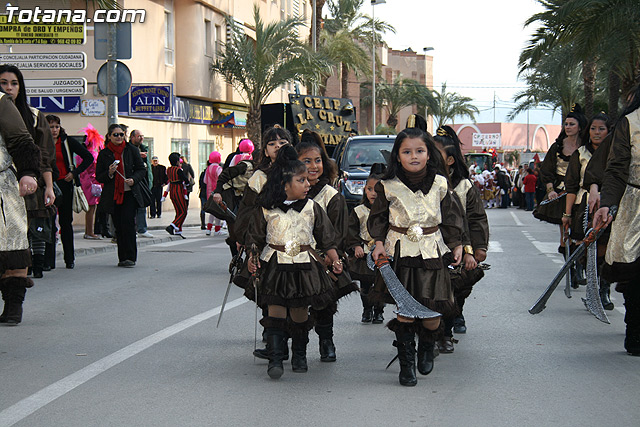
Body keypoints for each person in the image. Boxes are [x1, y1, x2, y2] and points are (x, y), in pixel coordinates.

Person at [368, 127, 463, 386]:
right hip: (400, 254)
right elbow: (377, 219)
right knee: (405, 313)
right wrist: (377, 243)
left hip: (432, 252)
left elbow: (453, 217)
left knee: (432, 314)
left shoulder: (441, 183)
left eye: (419, 151)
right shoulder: (386, 186)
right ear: (398, 156)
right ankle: (406, 366)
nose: (413, 156)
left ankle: (426, 348)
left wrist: (456, 244)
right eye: (407, 151)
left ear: (428, 154)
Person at [245, 145, 343, 379]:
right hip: (275, 266)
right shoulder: (267, 210)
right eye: (301, 180)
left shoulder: (312, 208)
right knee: (276, 310)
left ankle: (299, 354)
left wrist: (334, 258)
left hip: (304, 267)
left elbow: (326, 237)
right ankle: (276, 358)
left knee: (300, 311)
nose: (308, 184)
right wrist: (252, 257)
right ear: (284, 184)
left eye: (307, 181)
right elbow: (255, 238)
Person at [296, 130, 357, 362]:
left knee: (323, 305)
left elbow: (338, 234)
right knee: (296, 306)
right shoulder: (287, 193)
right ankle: (296, 349)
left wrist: (331, 259)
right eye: (306, 161)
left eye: (318, 160)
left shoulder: (332, 196)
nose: (313, 166)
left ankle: (326, 341)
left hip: (323, 261)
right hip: (295, 259)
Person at [593, 84, 640, 356]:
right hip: (634, 205)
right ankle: (634, 328)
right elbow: (616, 169)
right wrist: (608, 204)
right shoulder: (629, 124)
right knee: (634, 274)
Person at [433, 125, 489, 351]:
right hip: (427, 246)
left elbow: (476, 218)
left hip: (457, 248)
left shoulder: (465, 186)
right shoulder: (421, 183)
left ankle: (445, 332)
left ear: (451, 160)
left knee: (453, 291)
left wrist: (478, 248)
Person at [0, 65, 56, 279]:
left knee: (21, 238)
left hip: (27, 185)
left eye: (14, 83)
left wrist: (48, 187)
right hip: (2, 184)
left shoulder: (33, 116)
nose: (8, 88)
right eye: (3, 83)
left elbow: (44, 156)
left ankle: (24, 279)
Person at [0, 90, 41, 324]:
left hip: (2, 186)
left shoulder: (1, 102)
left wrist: (27, 173)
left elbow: (20, 140)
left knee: (11, 246)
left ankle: (13, 306)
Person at [564, 112, 613, 308]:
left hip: (611, 204)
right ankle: (591, 286)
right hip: (585, 206)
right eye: (593, 128)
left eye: (601, 129)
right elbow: (571, 186)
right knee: (588, 248)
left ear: (609, 132)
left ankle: (603, 290)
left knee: (607, 250)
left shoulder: (617, 152)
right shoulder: (580, 154)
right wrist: (567, 214)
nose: (597, 132)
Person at [534, 104, 587, 254]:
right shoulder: (557, 147)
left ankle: (581, 263)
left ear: (580, 126)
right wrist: (550, 190)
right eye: (566, 124)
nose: (568, 127)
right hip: (561, 194)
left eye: (572, 124)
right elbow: (547, 170)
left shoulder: (586, 147)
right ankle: (569, 268)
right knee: (565, 233)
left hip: (582, 192)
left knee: (580, 231)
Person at [95, 124, 147, 267]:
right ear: (109, 136)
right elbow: (99, 176)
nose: (119, 137)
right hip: (113, 195)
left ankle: (130, 257)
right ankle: (122, 257)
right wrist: (110, 173)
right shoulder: (104, 153)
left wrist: (133, 179)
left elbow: (141, 170)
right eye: (115, 135)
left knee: (128, 224)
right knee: (118, 226)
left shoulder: (131, 150)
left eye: (121, 134)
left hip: (130, 193)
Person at [47, 114, 94, 269]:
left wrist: (74, 173)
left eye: (56, 126)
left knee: (65, 222)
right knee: (49, 223)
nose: (54, 130)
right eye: (51, 127)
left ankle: (69, 259)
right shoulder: (41, 142)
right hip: (48, 186)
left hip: (65, 185)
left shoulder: (67, 142)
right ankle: (49, 261)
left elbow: (88, 157)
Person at [347, 163, 386, 324]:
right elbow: (351, 231)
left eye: (377, 190)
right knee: (365, 284)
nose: (373, 194)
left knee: (381, 283)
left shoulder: (388, 212)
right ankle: (367, 309)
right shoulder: (359, 211)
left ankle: (379, 311)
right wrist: (356, 245)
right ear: (365, 189)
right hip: (364, 254)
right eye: (370, 189)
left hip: (382, 253)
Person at [77, 124, 104, 240]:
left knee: (90, 209)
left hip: (86, 182)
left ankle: (89, 231)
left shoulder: (82, 154)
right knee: (91, 209)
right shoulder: (92, 154)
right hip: (91, 183)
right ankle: (89, 232)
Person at [129, 130, 153, 238]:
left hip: (144, 180)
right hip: (133, 180)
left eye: (142, 136)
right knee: (132, 207)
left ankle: (142, 229)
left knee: (142, 205)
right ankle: (132, 229)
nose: (141, 138)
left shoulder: (144, 148)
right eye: (139, 136)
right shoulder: (129, 148)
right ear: (132, 137)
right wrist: (137, 155)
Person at [165, 152, 189, 238]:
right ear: (177, 161)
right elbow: (186, 180)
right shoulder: (178, 170)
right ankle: (172, 225)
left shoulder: (168, 169)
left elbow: (166, 179)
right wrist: (187, 182)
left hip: (172, 191)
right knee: (183, 211)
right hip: (178, 191)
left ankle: (178, 230)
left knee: (178, 211)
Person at [204, 151, 224, 235]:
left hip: (209, 192)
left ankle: (208, 229)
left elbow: (205, 180)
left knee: (211, 211)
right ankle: (217, 229)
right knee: (217, 211)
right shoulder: (218, 168)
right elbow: (221, 180)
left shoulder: (208, 169)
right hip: (217, 192)